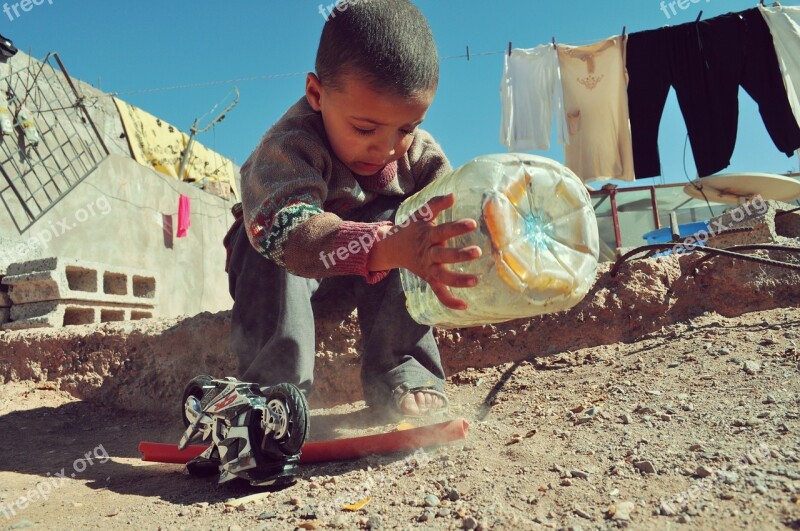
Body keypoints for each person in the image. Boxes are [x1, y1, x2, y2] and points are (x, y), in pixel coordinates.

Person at [225, 0, 481, 417]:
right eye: (365, 128)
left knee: (415, 225)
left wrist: (470, 242)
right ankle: (271, 393)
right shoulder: (289, 147)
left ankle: (402, 370)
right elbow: (286, 233)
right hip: (281, 266)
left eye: (406, 128)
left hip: (360, 279)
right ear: (316, 95)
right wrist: (385, 244)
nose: (386, 148)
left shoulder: (418, 156)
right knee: (268, 238)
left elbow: (450, 215)